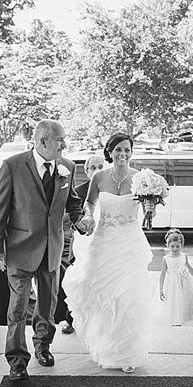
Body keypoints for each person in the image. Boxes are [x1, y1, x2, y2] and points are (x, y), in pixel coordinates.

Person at [0, 119, 85, 382]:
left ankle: (43, 346)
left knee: (47, 302)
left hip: (53, 246)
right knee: (17, 307)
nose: (65, 144)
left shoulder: (67, 167)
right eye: (60, 139)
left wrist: (79, 217)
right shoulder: (13, 165)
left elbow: (71, 201)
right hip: (20, 247)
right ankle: (17, 361)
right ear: (43, 141)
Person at [63, 133, 155, 374]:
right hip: (103, 240)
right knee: (101, 293)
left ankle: (127, 352)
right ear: (110, 151)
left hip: (129, 242)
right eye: (118, 150)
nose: (123, 154)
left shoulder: (140, 178)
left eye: (127, 150)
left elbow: (148, 204)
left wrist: (149, 210)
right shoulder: (99, 176)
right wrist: (88, 216)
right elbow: (90, 203)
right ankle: (106, 348)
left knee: (127, 297)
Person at [58, 153, 105, 334]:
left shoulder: (111, 189)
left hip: (107, 243)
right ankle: (72, 319)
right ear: (86, 171)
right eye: (92, 167)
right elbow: (69, 217)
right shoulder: (78, 191)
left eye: (100, 167)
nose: (96, 171)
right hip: (84, 244)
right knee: (79, 281)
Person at [158, 228, 193, 326]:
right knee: (174, 299)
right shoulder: (166, 259)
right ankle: (174, 319)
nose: (175, 249)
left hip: (183, 282)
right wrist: (161, 289)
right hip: (172, 284)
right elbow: (162, 274)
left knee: (184, 299)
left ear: (181, 245)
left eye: (177, 246)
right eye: (172, 246)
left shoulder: (184, 256)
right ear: (168, 245)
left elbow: (188, 267)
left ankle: (182, 317)